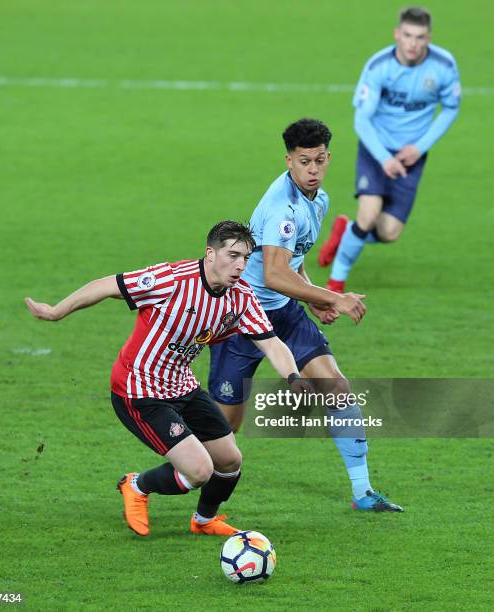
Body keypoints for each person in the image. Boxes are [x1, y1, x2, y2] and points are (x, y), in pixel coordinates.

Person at [25, 220, 310, 537]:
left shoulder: (241, 297)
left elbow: (271, 342)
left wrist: (293, 377)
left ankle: (204, 521)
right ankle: (136, 485)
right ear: (210, 254)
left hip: (182, 386)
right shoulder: (170, 280)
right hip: (139, 390)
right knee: (200, 470)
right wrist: (56, 311)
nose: (240, 265)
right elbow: (107, 286)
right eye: (232, 255)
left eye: (245, 257)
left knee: (229, 460)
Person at [209, 119, 403, 512]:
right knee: (224, 431)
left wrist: (312, 296)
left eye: (319, 160)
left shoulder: (319, 199)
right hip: (241, 319)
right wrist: (334, 298)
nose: (313, 170)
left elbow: (291, 262)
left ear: (328, 157)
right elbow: (272, 273)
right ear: (289, 161)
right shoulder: (282, 206)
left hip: (284, 313)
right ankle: (148, 482)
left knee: (336, 386)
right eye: (304, 161)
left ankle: (363, 492)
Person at [319, 6, 461, 292]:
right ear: (397, 34)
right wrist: (383, 157)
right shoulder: (379, 66)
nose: (413, 43)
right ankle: (335, 283)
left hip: (411, 157)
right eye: (407, 35)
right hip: (376, 148)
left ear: (428, 38)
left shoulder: (444, 67)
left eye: (420, 37)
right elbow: (362, 119)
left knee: (389, 232)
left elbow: (451, 108)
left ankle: (346, 232)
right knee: (369, 214)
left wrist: (420, 148)